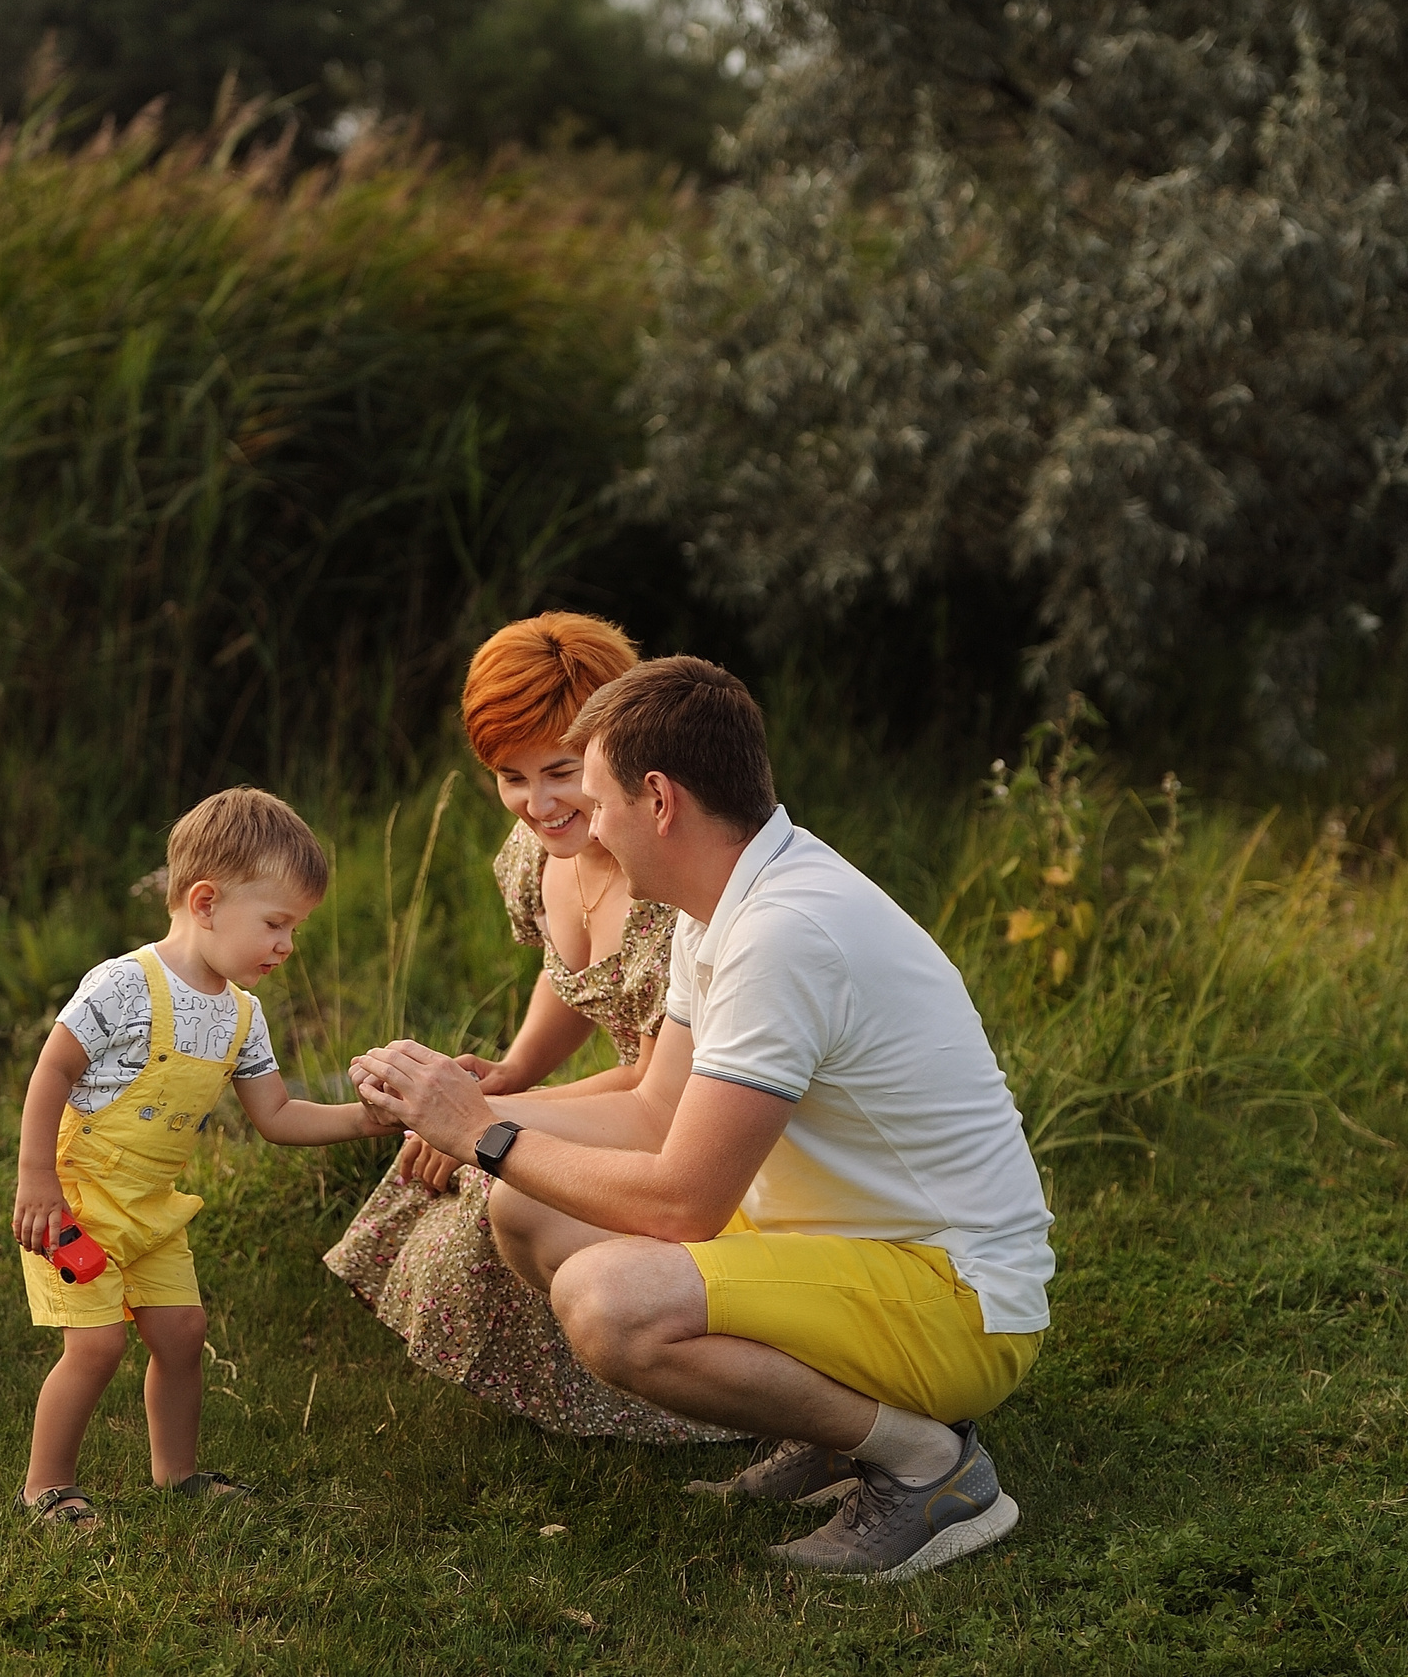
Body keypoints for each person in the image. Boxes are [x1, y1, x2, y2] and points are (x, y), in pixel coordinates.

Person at [352, 658, 1055, 1581]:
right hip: (852, 1252)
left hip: (959, 1300)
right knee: (524, 1213)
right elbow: (654, 1110)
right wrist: (467, 1112)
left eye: (598, 799)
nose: (587, 825)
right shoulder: (719, 899)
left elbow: (682, 1202)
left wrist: (483, 1135)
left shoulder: (784, 933)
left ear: (659, 799)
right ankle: (841, 1432)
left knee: (610, 1306)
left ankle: (931, 1467)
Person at [324, 613, 735, 1444]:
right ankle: (575, 1383)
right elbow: (569, 974)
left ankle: (686, 1393)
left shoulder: (668, 885)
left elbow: (657, 1091)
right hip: (641, 1095)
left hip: (706, 1120)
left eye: (560, 770)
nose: (538, 804)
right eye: (509, 776)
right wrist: (511, 1071)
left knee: (497, 1166)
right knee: (473, 1147)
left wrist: (489, 1121)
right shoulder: (539, 851)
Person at [10, 787, 392, 1530]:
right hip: (75, 1207)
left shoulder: (242, 1015)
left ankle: (176, 1475)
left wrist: (374, 1120)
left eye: (296, 929)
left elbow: (277, 1117)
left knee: (184, 1336)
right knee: (95, 1346)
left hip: (151, 1212)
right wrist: (36, 1178)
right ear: (207, 902)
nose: (287, 945)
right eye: (277, 924)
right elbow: (51, 1070)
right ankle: (45, 1487)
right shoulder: (122, 986)